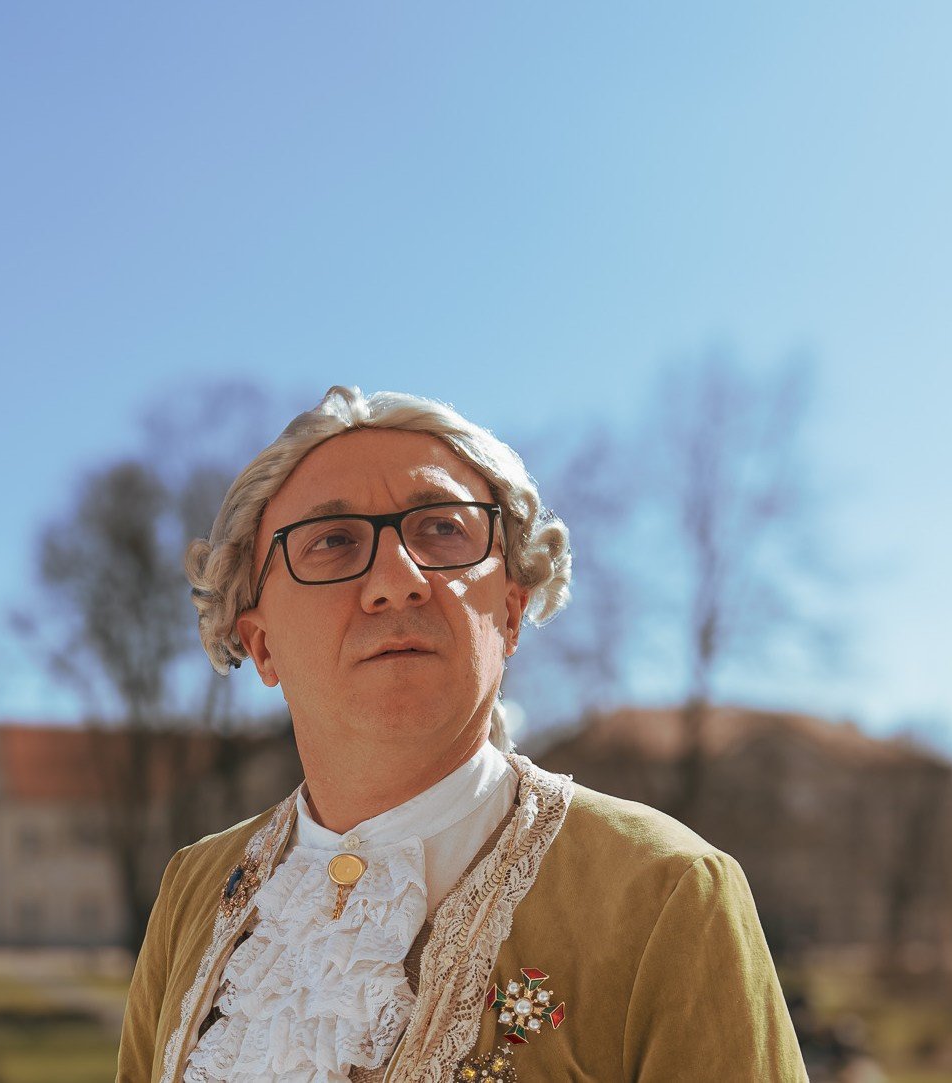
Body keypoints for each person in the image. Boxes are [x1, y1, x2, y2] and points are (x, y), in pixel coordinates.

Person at [117, 386, 807, 1082]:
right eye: (333, 541)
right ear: (261, 643)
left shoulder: (666, 891)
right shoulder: (192, 890)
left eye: (442, 529)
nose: (396, 580)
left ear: (510, 611)